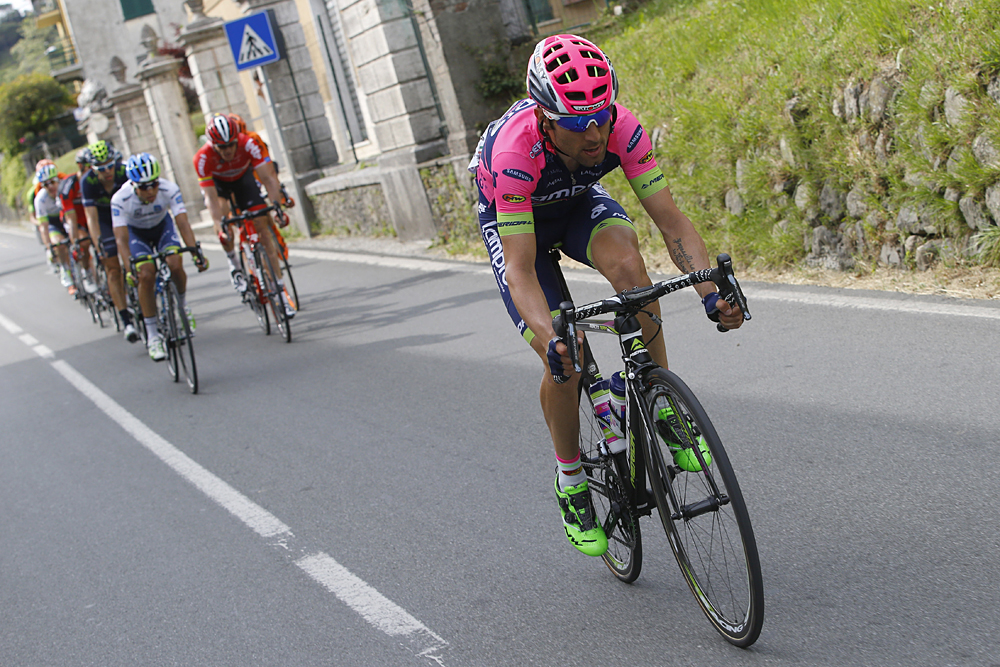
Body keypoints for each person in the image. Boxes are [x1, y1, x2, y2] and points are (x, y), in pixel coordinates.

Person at [472, 34, 745, 557]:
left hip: (576, 203)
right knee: (566, 357)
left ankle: (659, 402)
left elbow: (672, 223)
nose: (595, 133)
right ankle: (571, 479)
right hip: (518, 225)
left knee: (630, 268)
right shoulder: (514, 154)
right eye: (578, 124)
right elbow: (521, 271)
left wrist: (710, 291)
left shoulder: (621, 128)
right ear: (546, 118)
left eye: (601, 117)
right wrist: (552, 338)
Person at [193, 113, 295, 319]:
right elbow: (211, 198)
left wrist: (276, 208)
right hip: (220, 186)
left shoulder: (248, 143)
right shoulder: (203, 158)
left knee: (262, 229)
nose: (228, 150)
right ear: (213, 145)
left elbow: (268, 178)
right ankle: (234, 262)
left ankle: (280, 291)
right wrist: (219, 224)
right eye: (222, 147)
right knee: (224, 220)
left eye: (231, 144)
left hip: (243, 180)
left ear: (236, 139)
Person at [113, 153, 207, 362]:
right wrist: (129, 269)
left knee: (175, 262)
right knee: (146, 274)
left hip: (162, 228)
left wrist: (195, 253)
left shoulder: (169, 189)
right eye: (144, 187)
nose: (150, 191)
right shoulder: (120, 199)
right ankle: (153, 335)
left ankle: (182, 306)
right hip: (136, 234)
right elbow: (121, 239)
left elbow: (183, 223)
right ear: (133, 185)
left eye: (153, 185)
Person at [82, 139, 139, 342]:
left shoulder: (124, 172)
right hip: (105, 220)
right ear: (93, 168)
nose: (107, 171)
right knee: (113, 269)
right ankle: (126, 321)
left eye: (110, 166)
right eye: (101, 168)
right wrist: (98, 246)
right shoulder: (88, 182)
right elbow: (91, 218)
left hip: (126, 216)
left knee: (137, 260)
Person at [59, 148, 97, 294]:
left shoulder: (96, 181)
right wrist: (75, 242)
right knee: (84, 242)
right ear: (80, 166)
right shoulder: (69, 186)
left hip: (93, 217)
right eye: (90, 166)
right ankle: (87, 272)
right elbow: (71, 218)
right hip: (76, 220)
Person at [33, 164, 75, 293]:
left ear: (58, 180)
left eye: (52, 182)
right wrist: (49, 247)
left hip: (68, 216)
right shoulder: (40, 199)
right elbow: (43, 227)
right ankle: (66, 270)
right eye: (46, 185)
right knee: (59, 244)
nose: (50, 186)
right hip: (53, 223)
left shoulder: (65, 189)